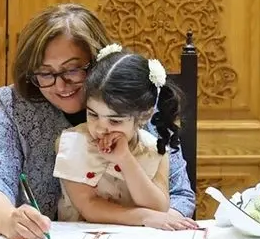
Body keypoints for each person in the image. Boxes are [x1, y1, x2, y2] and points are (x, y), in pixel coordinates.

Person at [0, 3, 197, 239]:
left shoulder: (135, 102)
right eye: (45, 73)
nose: (61, 86)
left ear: (98, 63)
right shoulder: (14, 105)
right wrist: (8, 219)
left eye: (72, 70)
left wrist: (148, 227)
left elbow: (179, 196)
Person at [54, 45, 182, 222]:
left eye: (114, 121)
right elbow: (88, 206)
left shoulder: (154, 150)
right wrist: (143, 217)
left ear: (144, 116)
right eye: (93, 115)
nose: (100, 128)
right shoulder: (73, 143)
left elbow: (158, 208)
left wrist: (125, 160)